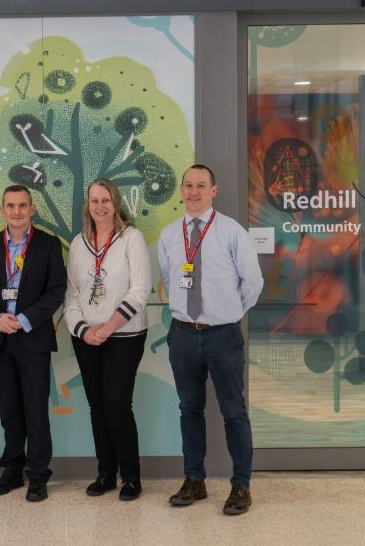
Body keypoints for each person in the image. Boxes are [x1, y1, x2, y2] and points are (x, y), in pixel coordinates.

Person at [157, 165, 263, 515]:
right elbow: (168, 277)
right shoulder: (170, 235)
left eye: (201, 186)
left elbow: (253, 283)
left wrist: (228, 314)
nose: (194, 192)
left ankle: (241, 485)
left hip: (223, 336)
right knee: (189, 409)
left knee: (233, 411)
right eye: (188, 185)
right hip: (183, 335)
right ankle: (194, 480)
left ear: (213, 190)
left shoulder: (232, 232)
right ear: (181, 190)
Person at [0, 185, 65, 502]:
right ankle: (12, 470)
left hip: (33, 338)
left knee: (36, 410)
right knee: (10, 411)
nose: (16, 211)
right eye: (10, 205)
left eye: (22, 205)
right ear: (2, 210)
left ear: (32, 209)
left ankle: (38, 475)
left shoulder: (48, 245)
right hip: (0, 339)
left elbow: (56, 292)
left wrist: (24, 319)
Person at [64, 179, 151, 501]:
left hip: (125, 334)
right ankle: (106, 473)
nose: (100, 206)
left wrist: (110, 326)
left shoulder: (132, 238)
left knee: (117, 404)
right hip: (87, 337)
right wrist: (84, 329)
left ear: (116, 203)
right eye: (94, 201)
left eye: (106, 200)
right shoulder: (78, 244)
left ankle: (131, 477)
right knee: (97, 406)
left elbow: (140, 289)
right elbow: (71, 295)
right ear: (87, 205)